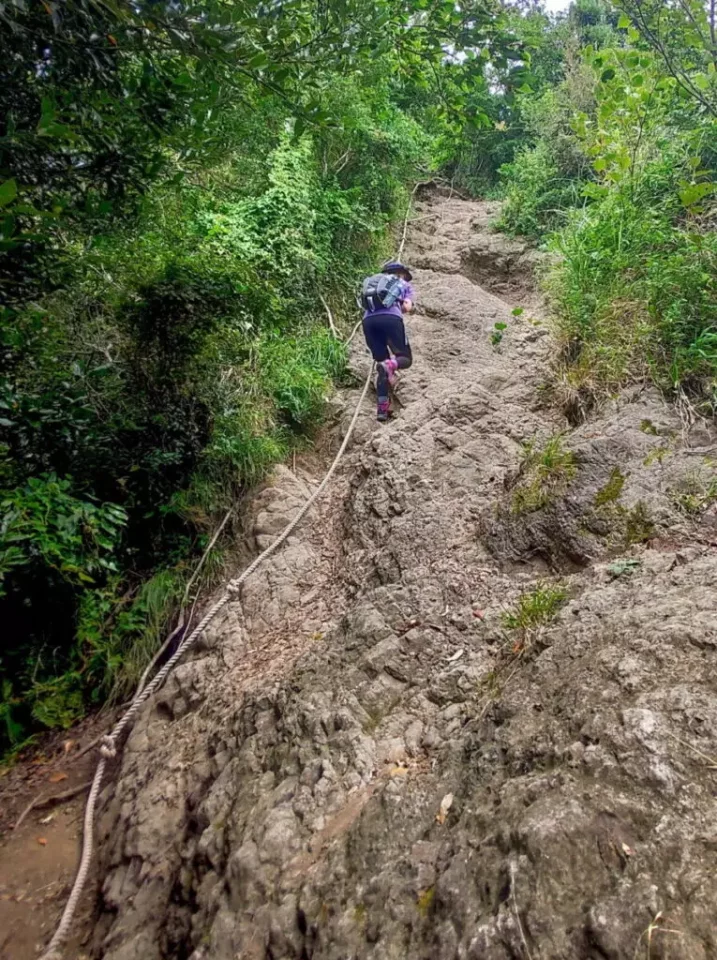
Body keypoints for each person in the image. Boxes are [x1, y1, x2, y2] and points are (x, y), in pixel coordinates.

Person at [360, 260, 415, 422]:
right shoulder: (403, 284)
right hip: (391, 319)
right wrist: (405, 305)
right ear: (402, 273)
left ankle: (382, 410)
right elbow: (407, 307)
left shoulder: (374, 283)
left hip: (368, 322)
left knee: (382, 366)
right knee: (405, 358)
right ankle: (390, 365)